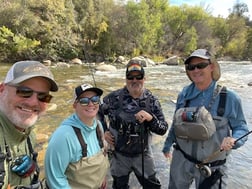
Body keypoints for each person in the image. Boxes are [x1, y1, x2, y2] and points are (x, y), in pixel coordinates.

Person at [162, 49, 249, 189]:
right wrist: (167, 145)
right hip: (181, 160)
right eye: (191, 67)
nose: (196, 70)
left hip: (213, 166)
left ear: (212, 66)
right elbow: (176, 124)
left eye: (201, 65)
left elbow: (242, 128)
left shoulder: (230, 98)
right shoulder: (183, 95)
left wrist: (234, 140)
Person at [100, 58, 169, 189]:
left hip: (143, 156)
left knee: (153, 186)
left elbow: (163, 129)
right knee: (119, 186)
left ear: (144, 78)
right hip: (119, 156)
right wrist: (104, 131)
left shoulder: (152, 100)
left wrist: (151, 118)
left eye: (139, 77)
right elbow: (97, 111)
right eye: (130, 77)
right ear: (126, 79)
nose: (134, 80)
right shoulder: (113, 98)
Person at [0, 60, 58, 189]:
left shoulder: (30, 130)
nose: (33, 102)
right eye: (24, 91)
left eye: (43, 97)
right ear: (2, 89)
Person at [45, 83, 109, 189]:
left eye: (95, 99)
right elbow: (55, 179)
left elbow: (102, 154)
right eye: (84, 101)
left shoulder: (98, 125)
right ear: (74, 105)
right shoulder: (63, 136)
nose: (91, 104)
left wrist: (102, 177)